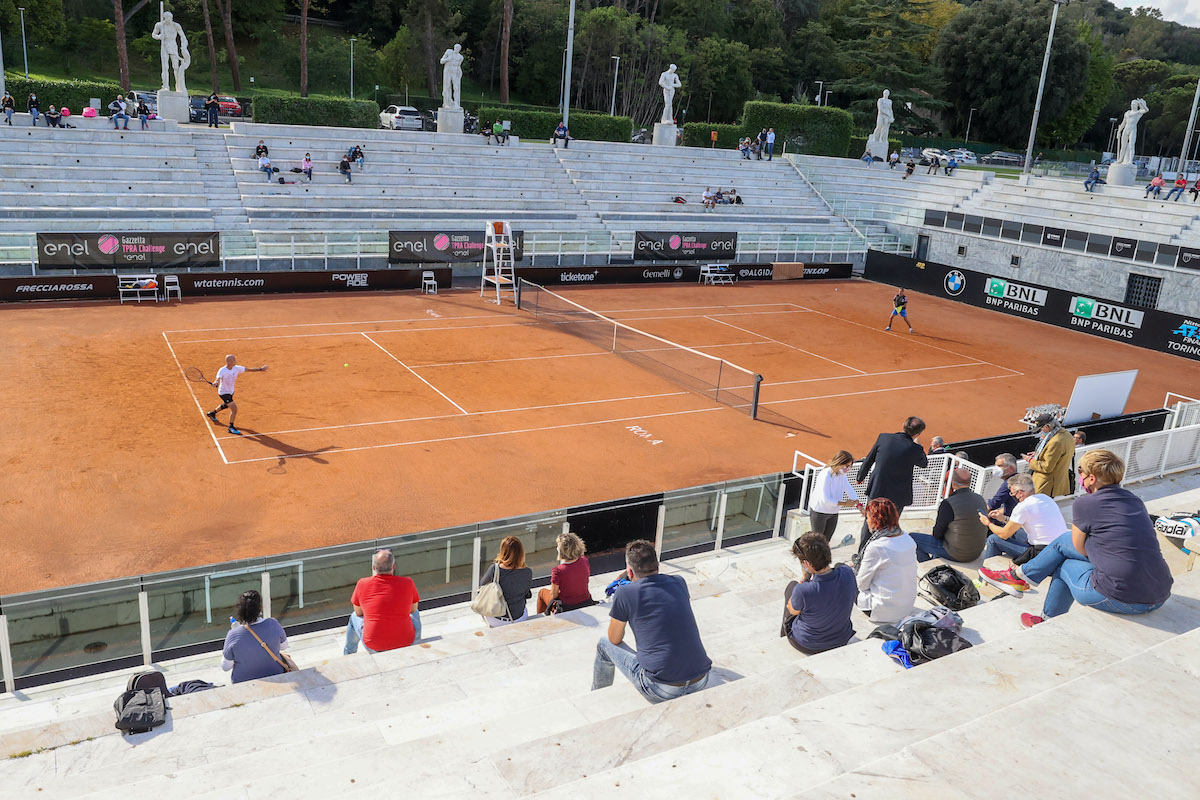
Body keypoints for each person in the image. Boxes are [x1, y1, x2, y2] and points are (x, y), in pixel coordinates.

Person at [979, 449, 1172, 627]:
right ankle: (1019, 578)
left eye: (1081, 471)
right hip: (1160, 594)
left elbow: (1078, 547)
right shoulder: (1134, 500)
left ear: (1092, 478)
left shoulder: (1086, 503)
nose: (1079, 476)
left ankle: (1036, 603)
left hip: (1122, 598)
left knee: (1063, 555)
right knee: (1064, 542)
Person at [592, 540, 711, 704]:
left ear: (630, 572)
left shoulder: (625, 593)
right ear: (657, 565)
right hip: (701, 679)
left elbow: (614, 639)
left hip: (661, 688)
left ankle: (595, 699)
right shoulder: (679, 582)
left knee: (604, 644)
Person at [856, 416, 928, 555]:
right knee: (891, 524)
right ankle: (882, 553)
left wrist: (860, 477)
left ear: (903, 425)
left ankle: (862, 554)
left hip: (877, 488)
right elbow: (924, 463)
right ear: (917, 434)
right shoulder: (915, 448)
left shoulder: (884, 438)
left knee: (869, 521)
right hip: (898, 495)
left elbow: (869, 459)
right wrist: (918, 445)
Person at [781, 533, 857, 654]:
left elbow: (792, 610)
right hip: (841, 638)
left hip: (809, 644)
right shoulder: (847, 572)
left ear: (806, 563)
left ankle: (783, 636)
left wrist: (805, 580)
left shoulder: (803, 590)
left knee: (792, 587)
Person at [978, 473, 1068, 564]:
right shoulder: (1046, 498)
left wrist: (988, 523)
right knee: (1014, 532)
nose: (1013, 496)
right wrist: (1005, 519)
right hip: (1059, 547)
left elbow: (1004, 534)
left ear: (1020, 493)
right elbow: (1031, 522)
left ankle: (986, 573)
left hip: (1042, 553)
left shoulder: (1023, 506)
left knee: (993, 539)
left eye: (1012, 493)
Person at [344, 549, 421, 654]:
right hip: (405, 642)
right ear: (394, 567)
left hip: (374, 645)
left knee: (354, 617)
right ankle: (416, 647)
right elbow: (413, 609)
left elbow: (358, 613)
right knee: (416, 613)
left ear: (374, 568)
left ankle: (349, 654)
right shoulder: (408, 582)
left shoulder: (362, 583)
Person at [855, 499, 918, 624]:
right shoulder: (908, 539)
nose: (867, 521)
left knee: (845, 575)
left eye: (867, 517)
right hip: (907, 607)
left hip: (883, 611)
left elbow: (861, 584)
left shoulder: (876, 547)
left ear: (875, 520)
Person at [910, 469, 988, 563]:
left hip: (958, 554)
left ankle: (927, 564)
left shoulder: (948, 503)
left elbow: (938, 532)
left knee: (912, 538)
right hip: (976, 552)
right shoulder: (980, 499)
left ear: (953, 483)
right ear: (970, 483)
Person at [221, 590, 290, 683]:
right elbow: (284, 646)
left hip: (243, 683)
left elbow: (225, 667)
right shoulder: (273, 624)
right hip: (275, 675)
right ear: (260, 608)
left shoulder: (233, 635)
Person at [807, 450, 863, 544]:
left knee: (826, 542)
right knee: (816, 542)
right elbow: (826, 499)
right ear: (839, 462)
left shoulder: (842, 474)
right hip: (820, 512)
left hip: (833, 512)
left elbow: (849, 489)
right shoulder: (825, 475)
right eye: (846, 466)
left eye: (849, 466)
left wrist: (859, 505)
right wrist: (845, 504)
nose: (848, 469)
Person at [205, 354, 268, 436]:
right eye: (234, 360)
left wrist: (260, 369)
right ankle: (230, 427)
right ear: (230, 362)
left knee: (226, 405)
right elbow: (218, 378)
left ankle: (212, 413)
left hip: (231, 391)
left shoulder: (237, 368)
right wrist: (216, 382)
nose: (236, 361)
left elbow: (248, 370)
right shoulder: (222, 370)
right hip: (223, 392)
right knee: (234, 409)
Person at [480, 536, 533, 626]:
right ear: (521, 553)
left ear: (503, 551)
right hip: (519, 618)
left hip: (497, 620)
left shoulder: (495, 569)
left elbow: (482, 585)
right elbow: (526, 593)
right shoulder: (527, 572)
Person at [536, 531, 593, 615]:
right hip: (586, 601)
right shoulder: (584, 560)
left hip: (567, 606)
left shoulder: (558, 571)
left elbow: (554, 595)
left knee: (542, 592)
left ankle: (541, 619)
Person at [1024, 412, 1075, 497]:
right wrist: (1039, 454)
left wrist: (1030, 460)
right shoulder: (1067, 435)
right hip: (1056, 481)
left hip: (1046, 485)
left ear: (1047, 427)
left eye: (1041, 428)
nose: (1041, 431)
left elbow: (1047, 467)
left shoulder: (1055, 442)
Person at [986, 453, 1020, 519]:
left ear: (1011, 469)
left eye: (1000, 466)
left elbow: (993, 504)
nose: (996, 469)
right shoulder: (1019, 478)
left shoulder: (1009, 483)